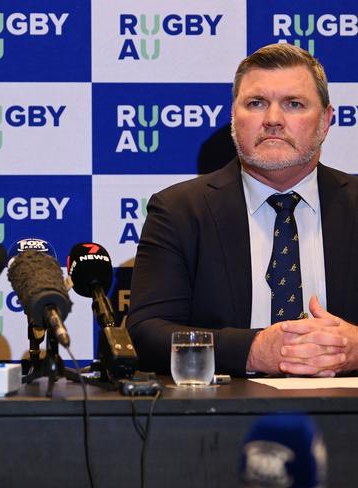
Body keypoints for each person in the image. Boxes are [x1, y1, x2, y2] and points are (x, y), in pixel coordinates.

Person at [127, 43, 358, 377]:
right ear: (234, 117)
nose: (273, 120)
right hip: (223, 416)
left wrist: (354, 347)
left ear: (325, 120)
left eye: (293, 104)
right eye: (256, 103)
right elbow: (147, 334)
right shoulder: (179, 211)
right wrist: (253, 350)